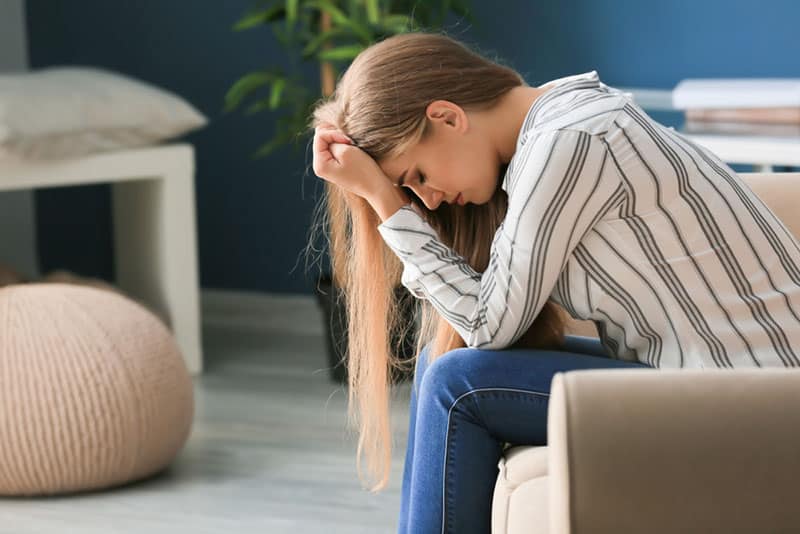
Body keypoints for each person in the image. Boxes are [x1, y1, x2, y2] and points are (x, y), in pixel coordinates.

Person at [309, 31, 800, 533]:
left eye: (416, 175)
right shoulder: (562, 125)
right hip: (722, 380)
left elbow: (487, 324)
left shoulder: (568, 141)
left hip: (763, 399)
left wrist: (383, 201)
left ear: (448, 117)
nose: (428, 200)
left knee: (454, 387)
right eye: (410, 189)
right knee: (444, 364)